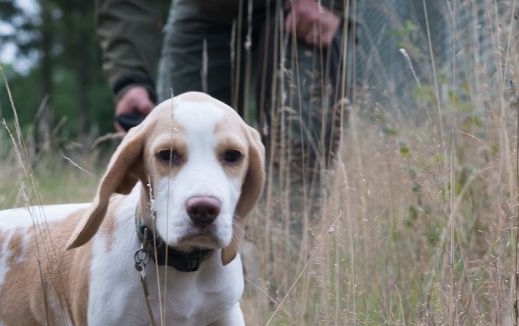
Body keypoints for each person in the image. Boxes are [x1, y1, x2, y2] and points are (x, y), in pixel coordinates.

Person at [97, 0, 355, 243]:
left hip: (296, 9)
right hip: (204, 8)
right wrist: (130, 79)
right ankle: (173, 284)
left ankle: (282, 284)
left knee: (299, 153)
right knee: (176, 133)